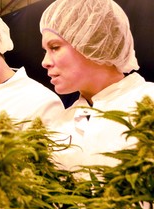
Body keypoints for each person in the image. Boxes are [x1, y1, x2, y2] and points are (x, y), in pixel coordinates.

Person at [39, 0, 154, 172]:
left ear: (92, 41)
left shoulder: (150, 103)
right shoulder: (60, 124)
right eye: (45, 51)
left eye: (55, 47)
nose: (45, 62)